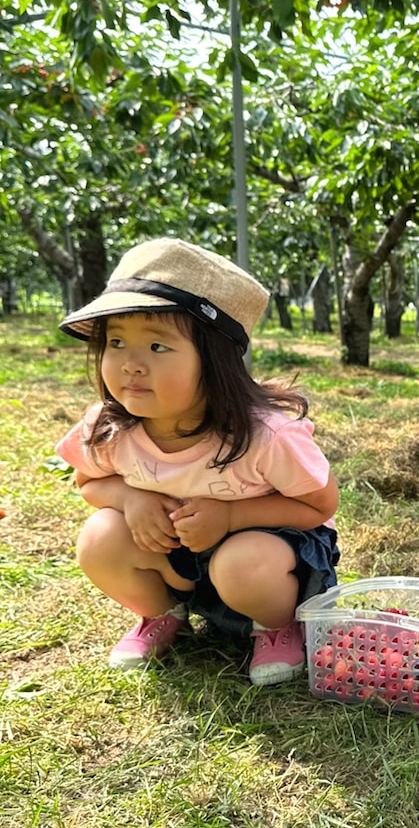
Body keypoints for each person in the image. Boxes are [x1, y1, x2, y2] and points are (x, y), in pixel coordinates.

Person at [56, 238, 340, 686]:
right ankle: (161, 614)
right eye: (116, 341)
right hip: (176, 558)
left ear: (214, 360)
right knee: (99, 537)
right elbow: (87, 482)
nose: (131, 364)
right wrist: (130, 498)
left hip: (263, 561)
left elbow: (319, 506)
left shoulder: (265, 435)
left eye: (157, 346)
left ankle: (277, 626)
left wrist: (230, 516)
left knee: (242, 563)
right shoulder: (111, 427)